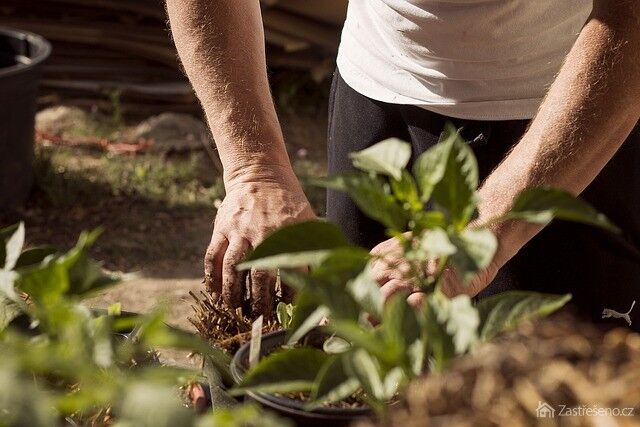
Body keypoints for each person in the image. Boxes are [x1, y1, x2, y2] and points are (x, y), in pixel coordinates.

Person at [166, 0, 640, 329]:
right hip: (374, 94)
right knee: (362, 370)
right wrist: (255, 169)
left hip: (566, 118)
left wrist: (480, 231)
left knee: (550, 400)